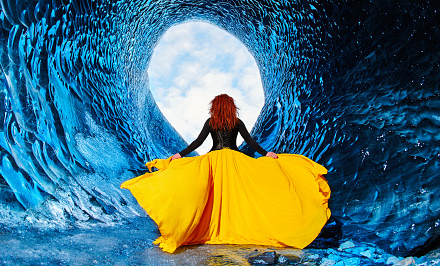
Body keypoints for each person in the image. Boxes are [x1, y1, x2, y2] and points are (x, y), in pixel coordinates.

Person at [121, 94, 331, 253]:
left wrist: (180, 155)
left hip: (214, 161)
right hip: (234, 160)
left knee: (211, 197)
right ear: (231, 107)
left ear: (215, 107)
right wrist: (267, 153)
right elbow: (250, 143)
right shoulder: (236, 122)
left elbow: (198, 143)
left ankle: (205, 229)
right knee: (238, 197)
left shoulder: (211, 122)